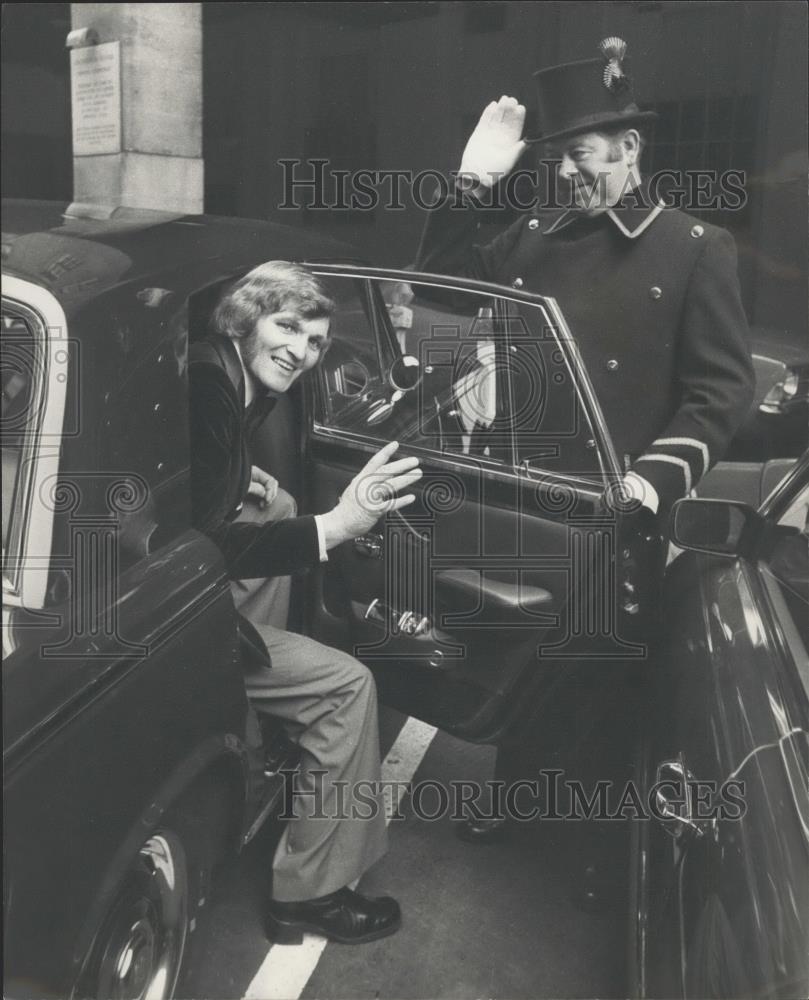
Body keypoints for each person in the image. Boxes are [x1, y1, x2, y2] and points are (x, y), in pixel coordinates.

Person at [415, 37, 755, 841]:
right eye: (553, 159)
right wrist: (470, 184)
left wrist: (648, 481)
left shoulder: (693, 248)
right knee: (520, 656)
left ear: (628, 148)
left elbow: (719, 393)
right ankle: (515, 799)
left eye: (579, 155)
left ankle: (598, 848)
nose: (564, 173)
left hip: (616, 502)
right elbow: (439, 288)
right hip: (528, 493)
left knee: (598, 673)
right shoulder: (533, 233)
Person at [189, 260, 422, 941]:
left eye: (315, 341)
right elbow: (210, 548)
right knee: (350, 686)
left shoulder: (222, 370)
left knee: (279, 504)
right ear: (244, 318)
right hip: (177, 606)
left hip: (167, 572)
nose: (301, 350)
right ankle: (308, 896)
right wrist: (338, 526)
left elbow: (192, 477)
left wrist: (240, 477)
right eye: (287, 327)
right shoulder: (211, 387)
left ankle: (249, 712)